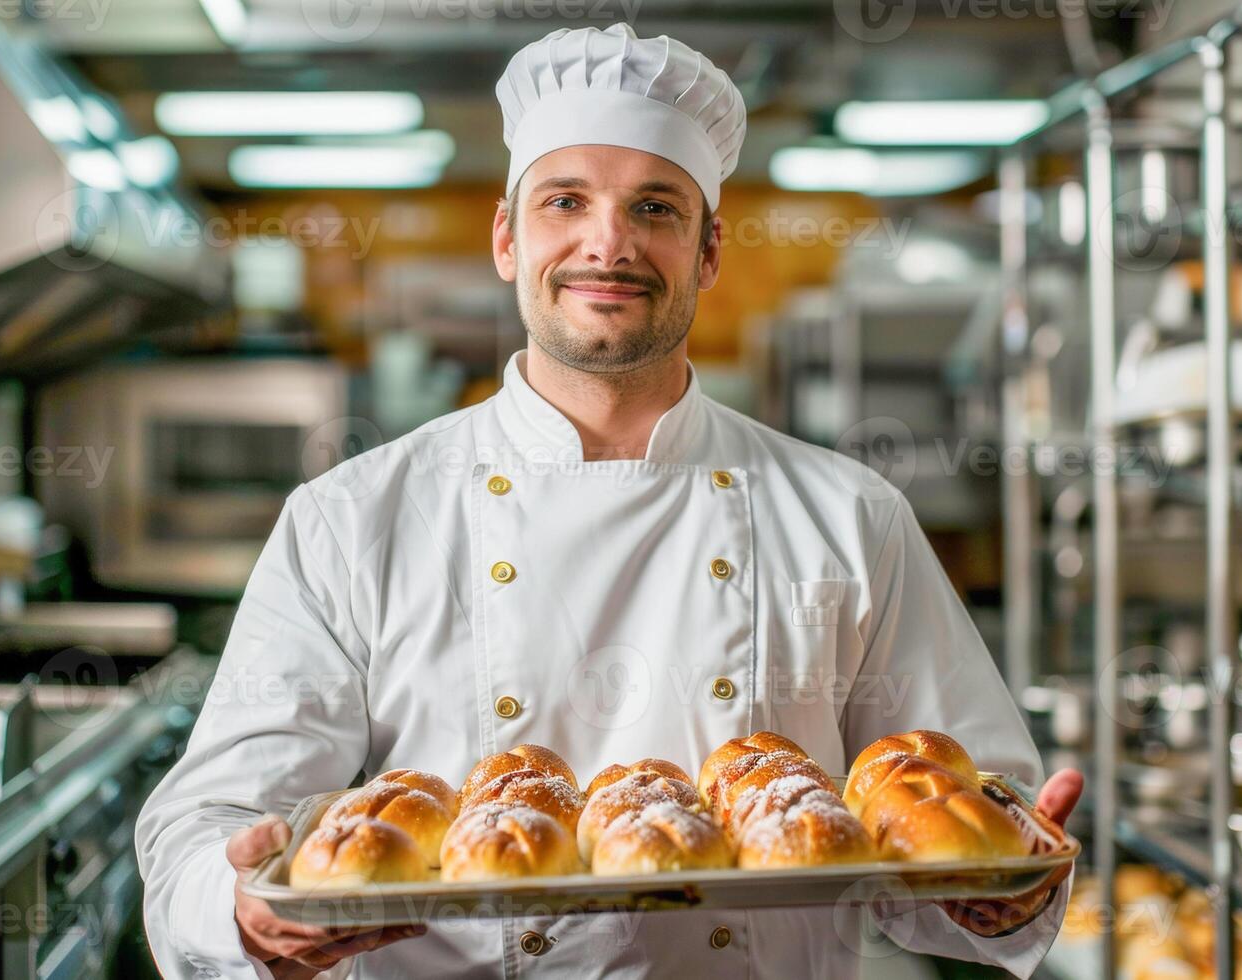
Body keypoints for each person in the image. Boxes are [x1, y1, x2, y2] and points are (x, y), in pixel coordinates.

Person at [135, 22, 1081, 980]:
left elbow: (968, 825)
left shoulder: (850, 516)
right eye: (565, 200)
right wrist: (244, 915)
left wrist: (1003, 898)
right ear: (508, 238)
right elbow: (202, 832)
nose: (608, 242)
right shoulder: (351, 519)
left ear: (708, 251)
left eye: (656, 207)